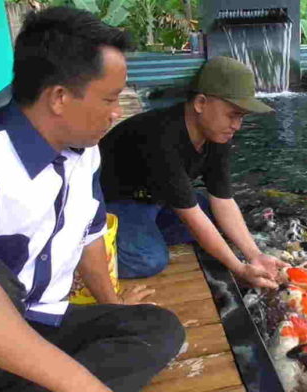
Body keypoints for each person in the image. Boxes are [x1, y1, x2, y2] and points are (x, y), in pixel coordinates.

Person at [0, 7, 184, 392]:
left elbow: (89, 233)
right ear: (59, 97)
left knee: (157, 327)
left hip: (41, 319)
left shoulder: (85, 151)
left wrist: (111, 304)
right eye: (110, 99)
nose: (116, 113)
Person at [99, 56, 286, 288]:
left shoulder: (217, 134)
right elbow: (190, 214)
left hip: (159, 197)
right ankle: (87, 253)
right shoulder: (161, 137)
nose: (237, 125)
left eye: (241, 117)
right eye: (232, 114)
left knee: (220, 220)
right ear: (200, 103)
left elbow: (223, 199)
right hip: (116, 201)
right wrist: (238, 268)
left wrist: (255, 256)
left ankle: (144, 234)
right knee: (148, 260)